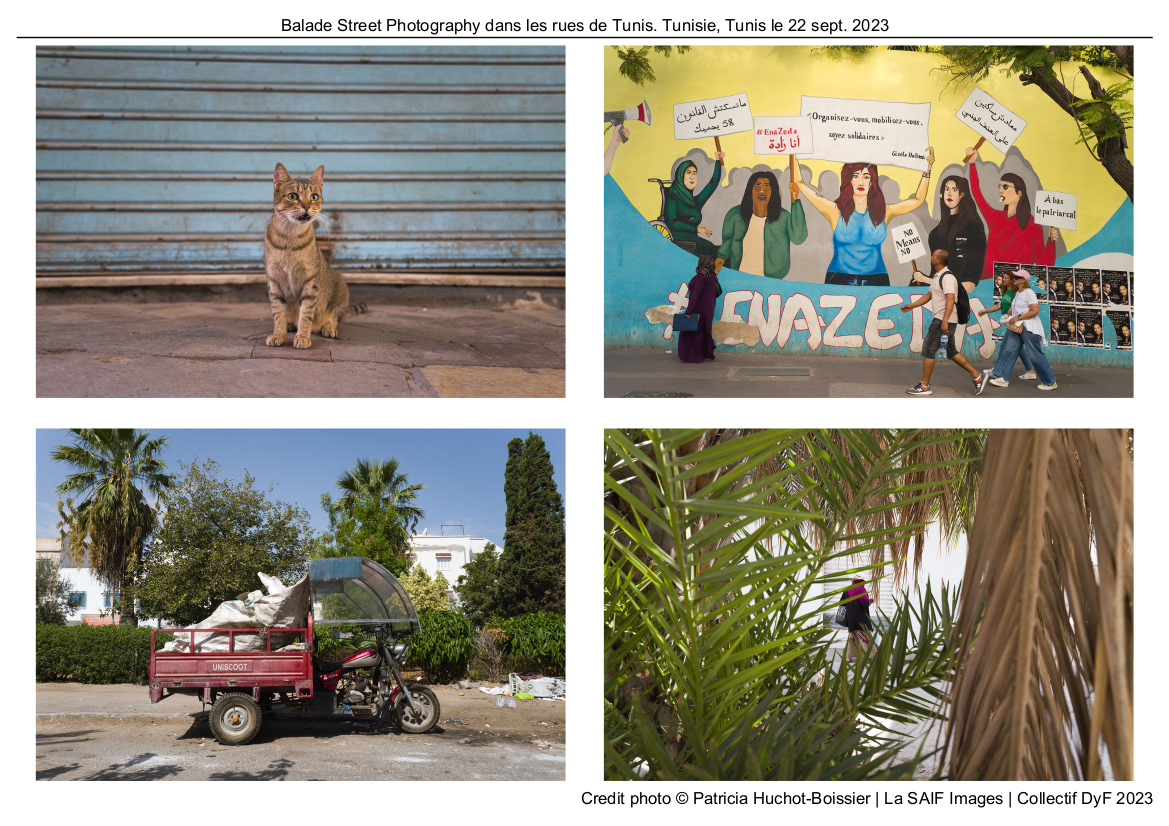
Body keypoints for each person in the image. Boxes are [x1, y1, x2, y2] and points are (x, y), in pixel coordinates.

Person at [793, 149, 935, 286]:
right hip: (839, 278)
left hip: (877, 279)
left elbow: (918, 200)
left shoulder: (885, 211)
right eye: (855, 176)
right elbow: (799, 182)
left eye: (866, 177)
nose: (861, 182)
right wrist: (793, 151)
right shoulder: (835, 210)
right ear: (848, 180)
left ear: (872, 181)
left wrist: (927, 169)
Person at [964, 148, 1059, 281]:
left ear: (1019, 193)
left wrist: (1051, 241)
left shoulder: (1033, 226)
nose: (1001, 191)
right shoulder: (995, 218)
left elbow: (1045, 264)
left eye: (1006, 187)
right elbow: (976, 192)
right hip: (990, 283)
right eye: (1000, 187)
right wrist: (972, 164)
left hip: (1017, 288)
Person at [902, 249, 988, 395]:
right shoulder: (937, 277)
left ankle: (924, 386)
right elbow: (929, 295)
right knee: (951, 351)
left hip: (943, 319)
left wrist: (945, 321)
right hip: (944, 319)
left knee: (929, 349)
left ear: (938, 260)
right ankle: (978, 377)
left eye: (933, 256)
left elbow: (950, 299)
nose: (931, 257)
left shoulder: (948, 278)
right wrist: (912, 305)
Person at [715, 165, 808, 279]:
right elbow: (727, 243)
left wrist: (796, 200)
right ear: (751, 189)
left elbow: (798, 238)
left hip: (771, 279)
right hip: (741, 275)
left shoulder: (783, 217)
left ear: (773, 191)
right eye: (757, 185)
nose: (762, 190)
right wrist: (719, 262)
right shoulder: (735, 214)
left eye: (767, 186)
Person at [982, 269, 1058, 391]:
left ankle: (1050, 381)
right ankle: (1003, 379)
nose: (1014, 279)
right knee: (1009, 350)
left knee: (1035, 355)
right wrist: (1011, 312)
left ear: (1023, 280)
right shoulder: (1018, 293)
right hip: (1017, 327)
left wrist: (1019, 316)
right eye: (1014, 277)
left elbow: (1035, 311)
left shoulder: (1029, 293)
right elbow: (1016, 307)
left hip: (1029, 328)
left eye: (1017, 277)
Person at [926, 175, 986, 294]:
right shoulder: (935, 233)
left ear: (962, 194)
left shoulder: (973, 227)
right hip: (937, 292)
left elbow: (970, 280)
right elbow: (935, 274)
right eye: (946, 189)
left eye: (954, 190)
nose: (949, 194)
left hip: (958, 294)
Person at [977, 272, 1038, 380]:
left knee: (1007, 348)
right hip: (1010, 323)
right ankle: (1030, 371)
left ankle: (999, 373)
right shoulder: (1007, 292)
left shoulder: (1017, 292)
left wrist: (1020, 321)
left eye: (1006, 278)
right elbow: (1000, 305)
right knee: (1017, 349)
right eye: (1003, 277)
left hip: (1016, 324)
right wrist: (986, 311)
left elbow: (1026, 309)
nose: (1003, 279)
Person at [665, 154, 725, 257]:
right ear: (681, 175)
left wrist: (718, 161)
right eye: (688, 173)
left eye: (695, 173)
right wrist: (697, 229)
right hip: (680, 240)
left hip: (693, 240)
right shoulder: (672, 197)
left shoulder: (695, 201)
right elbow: (671, 223)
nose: (692, 177)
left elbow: (713, 183)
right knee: (711, 249)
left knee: (721, 251)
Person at [677, 255, 719, 363]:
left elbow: (695, 295)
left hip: (699, 308)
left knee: (694, 332)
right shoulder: (712, 275)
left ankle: (694, 356)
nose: (697, 263)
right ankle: (706, 353)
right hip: (709, 308)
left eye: (699, 261)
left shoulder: (701, 277)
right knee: (704, 331)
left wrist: (688, 311)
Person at [843, 578, 874, 663]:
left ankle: (848, 657)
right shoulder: (862, 589)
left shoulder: (847, 589)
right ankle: (870, 656)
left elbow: (843, 603)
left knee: (852, 636)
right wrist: (870, 601)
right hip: (861, 617)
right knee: (864, 636)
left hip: (851, 618)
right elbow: (864, 604)